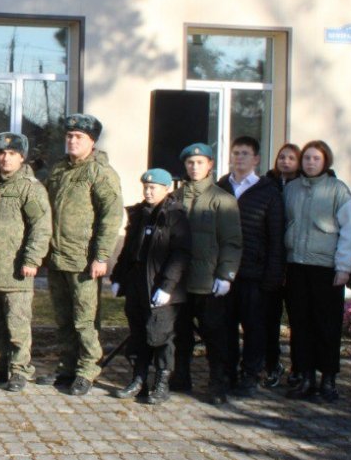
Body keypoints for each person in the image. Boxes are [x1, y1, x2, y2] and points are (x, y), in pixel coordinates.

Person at [38, 114, 122, 396]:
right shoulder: (60, 170)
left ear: (92, 142)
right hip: (58, 256)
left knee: (85, 320)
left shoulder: (100, 172)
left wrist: (101, 256)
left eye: (79, 137)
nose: (72, 141)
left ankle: (88, 370)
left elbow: (111, 216)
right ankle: (68, 366)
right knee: (63, 318)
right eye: (69, 136)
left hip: (84, 259)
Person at [0, 132, 51, 393]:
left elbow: (41, 226)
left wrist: (32, 258)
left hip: (16, 269)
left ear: (22, 157)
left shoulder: (30, 187)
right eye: (2, 153)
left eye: (12, 154)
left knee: (17, 323)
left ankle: (19, 369)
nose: (6, 158)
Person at [282, 140, 351, 402]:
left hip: (326, 268)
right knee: (300, 325)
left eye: (316, 158)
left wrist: (345, 266)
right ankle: (305, 376)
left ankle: (328, 379)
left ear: (325, 161)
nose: (310, 162)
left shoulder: (338, 190)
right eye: (307, 158)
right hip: (297, 265)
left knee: (327, 326)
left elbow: (349, 230)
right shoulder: (291, 189)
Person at [109, 169, 191, 405]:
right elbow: (128, 251)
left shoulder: (175, 216)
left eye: (154, 187)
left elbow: (180, 254)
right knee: (138, 335)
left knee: (160, 336)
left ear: (166, 189)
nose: (148, 191)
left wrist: (167, 286)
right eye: (146, 186)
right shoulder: (140, 214)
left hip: (161, 287)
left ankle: (161, 383)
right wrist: (118, 277)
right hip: (137, 285)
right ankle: (139, 380)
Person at [173, 142, 242, 405]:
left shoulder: (222, 199)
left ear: (210, 165)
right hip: (180, 279)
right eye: (190, 163)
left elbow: (232, 241)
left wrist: (226, 275)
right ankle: (181, 376)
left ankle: (217, 382)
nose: (194, 167)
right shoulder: (176, 197)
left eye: (200, 162)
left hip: (208, 279)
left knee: (214, 334)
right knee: (180, 332)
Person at [216, 136, 284, 397]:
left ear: (256, 159)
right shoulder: (221, 187)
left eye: (245, 153)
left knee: (255, 328)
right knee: (225, 327)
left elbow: (275, 238)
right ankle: (228, 372)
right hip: (224, 273)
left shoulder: (268, 192)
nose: (239, 158)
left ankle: (251, 373)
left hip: (254, 273)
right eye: (235, 153)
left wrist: (273, 275)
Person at [263, 142, 301, 387]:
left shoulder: (302, 187)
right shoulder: (268, 185)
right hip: (271, 261)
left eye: (291, 158)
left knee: (298, 318)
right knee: (269, 317)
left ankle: (299, 367)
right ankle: (271, 363)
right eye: (281, 157)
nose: (285, 161)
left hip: (297, 261)